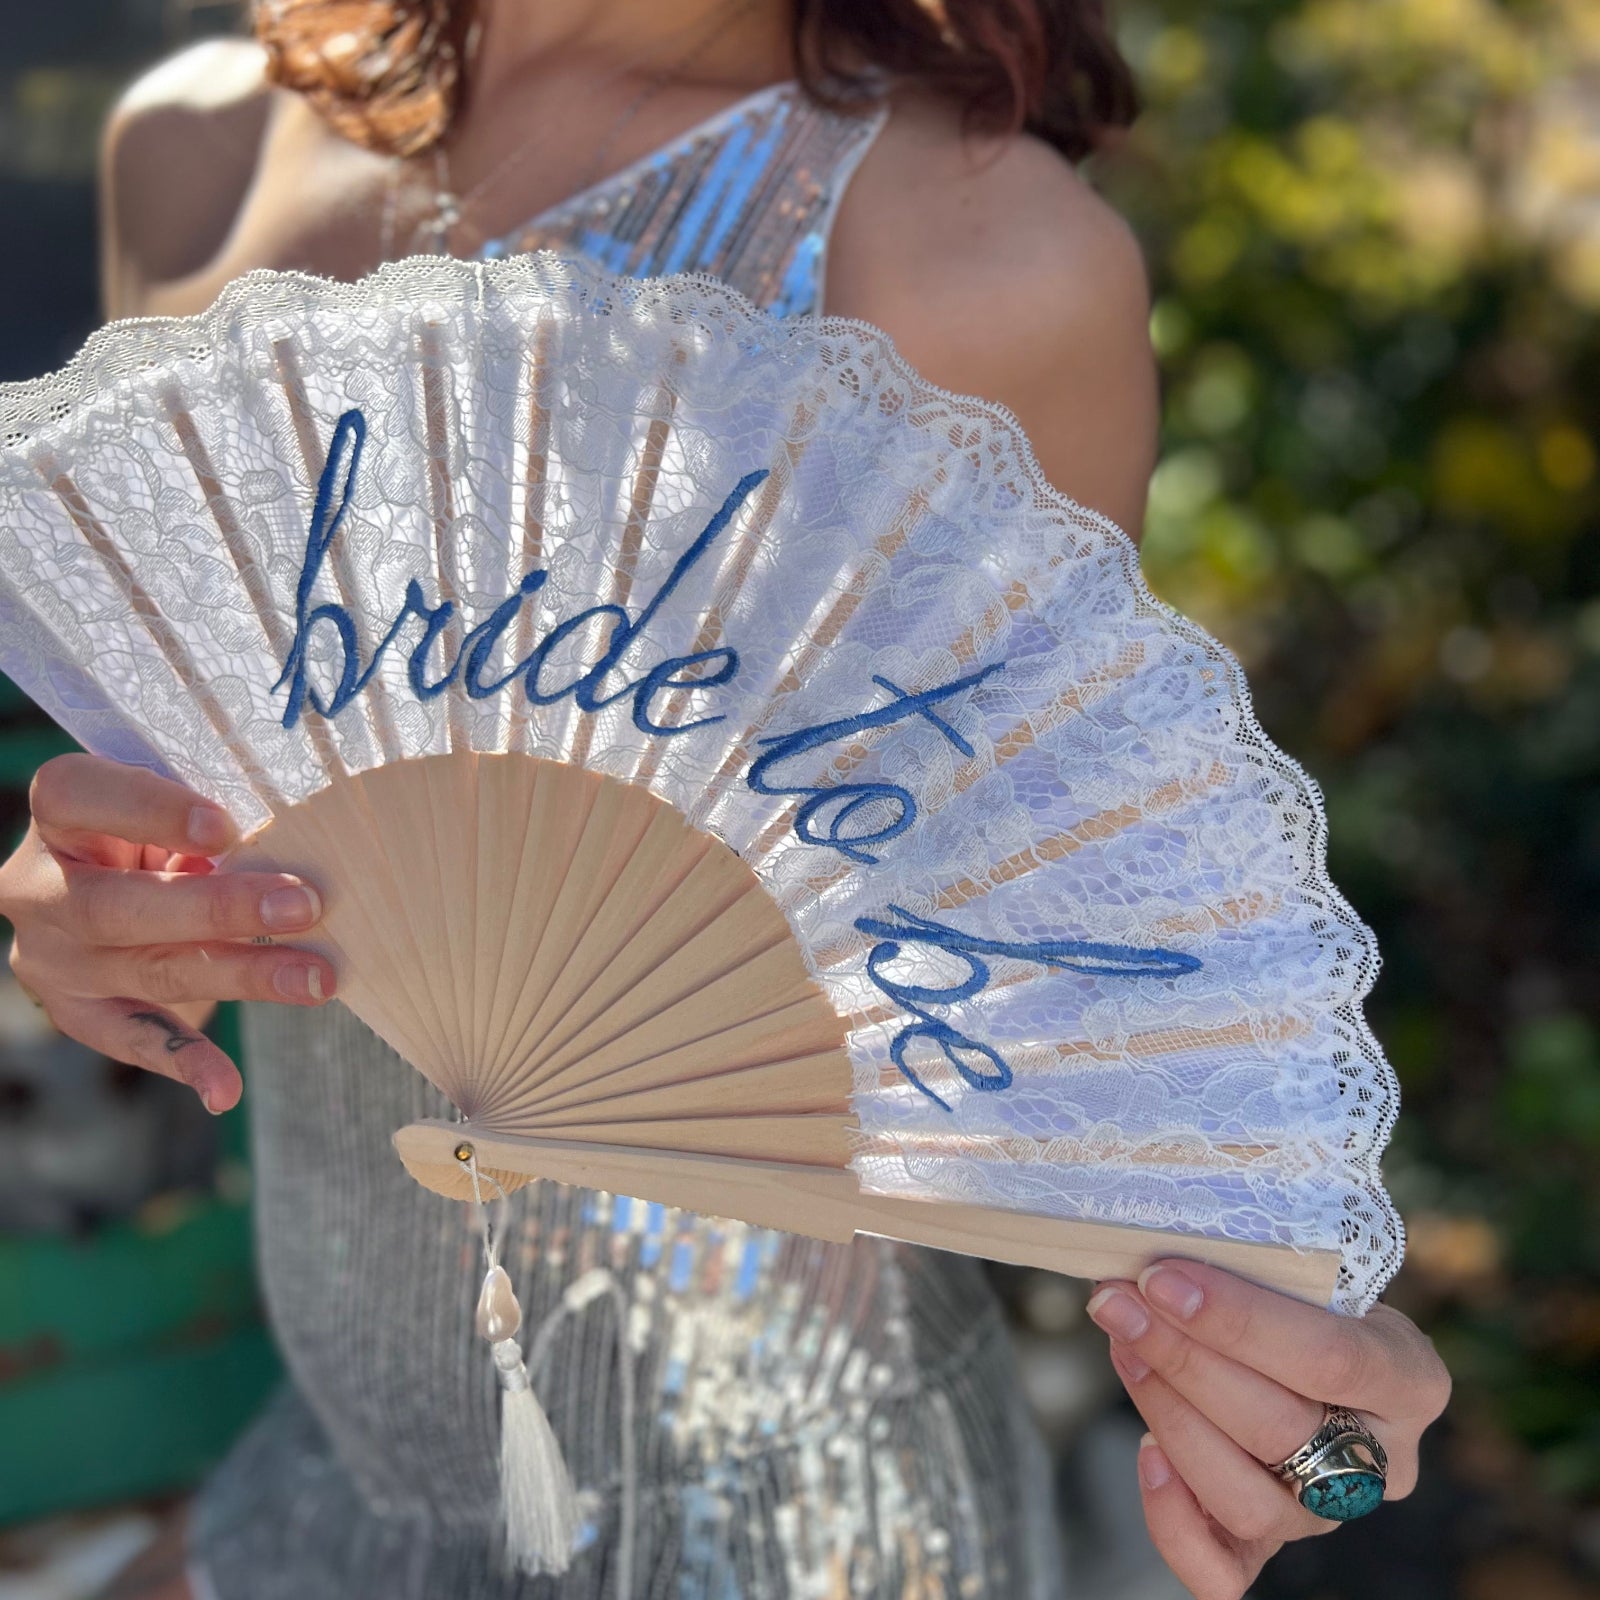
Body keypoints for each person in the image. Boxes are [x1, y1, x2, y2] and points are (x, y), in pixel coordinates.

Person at [0, 1, 1451, 1596]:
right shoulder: (200, 144)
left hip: (795, 1529)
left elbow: (1057, 1021)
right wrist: (104, 904)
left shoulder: (967, 259)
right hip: (338, 1481)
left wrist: (1298, 1387)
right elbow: (206, 772)